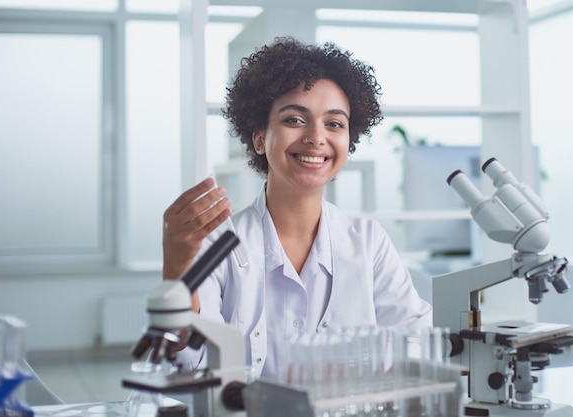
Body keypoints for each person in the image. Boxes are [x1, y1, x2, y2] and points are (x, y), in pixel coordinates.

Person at [161, 36, 432, 380]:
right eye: (294, 119)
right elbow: (193, 366)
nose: (316, 137)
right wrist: (176, 268)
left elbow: (416, 340)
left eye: (334, 123)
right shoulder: (218, 244)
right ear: (259, 137)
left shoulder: (368, 243)